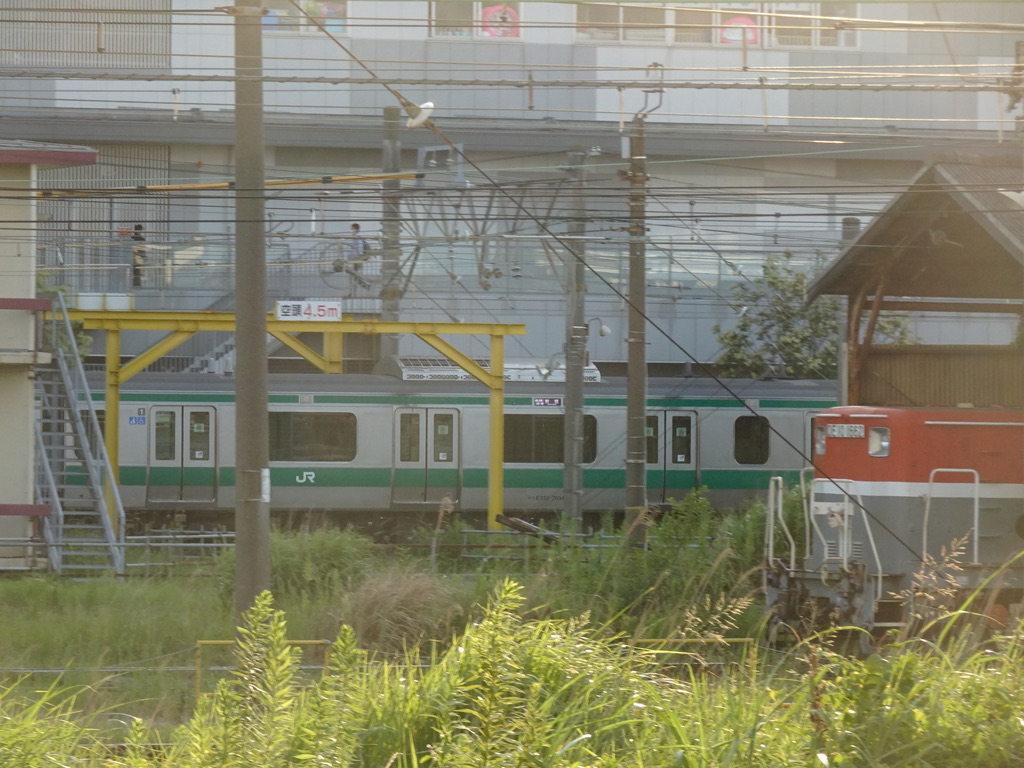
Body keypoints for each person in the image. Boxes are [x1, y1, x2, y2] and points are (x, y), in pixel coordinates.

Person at [347, 223, 369, 289]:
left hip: (357, 259)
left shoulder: (357, 237)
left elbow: (359, 248)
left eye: (352, 229)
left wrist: (360, 260)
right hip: (355, 259)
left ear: (356, 230)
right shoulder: (354, 237)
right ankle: (364, 285)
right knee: (355, 274)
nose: (351, 230)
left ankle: (365, 285)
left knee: (355, 274)